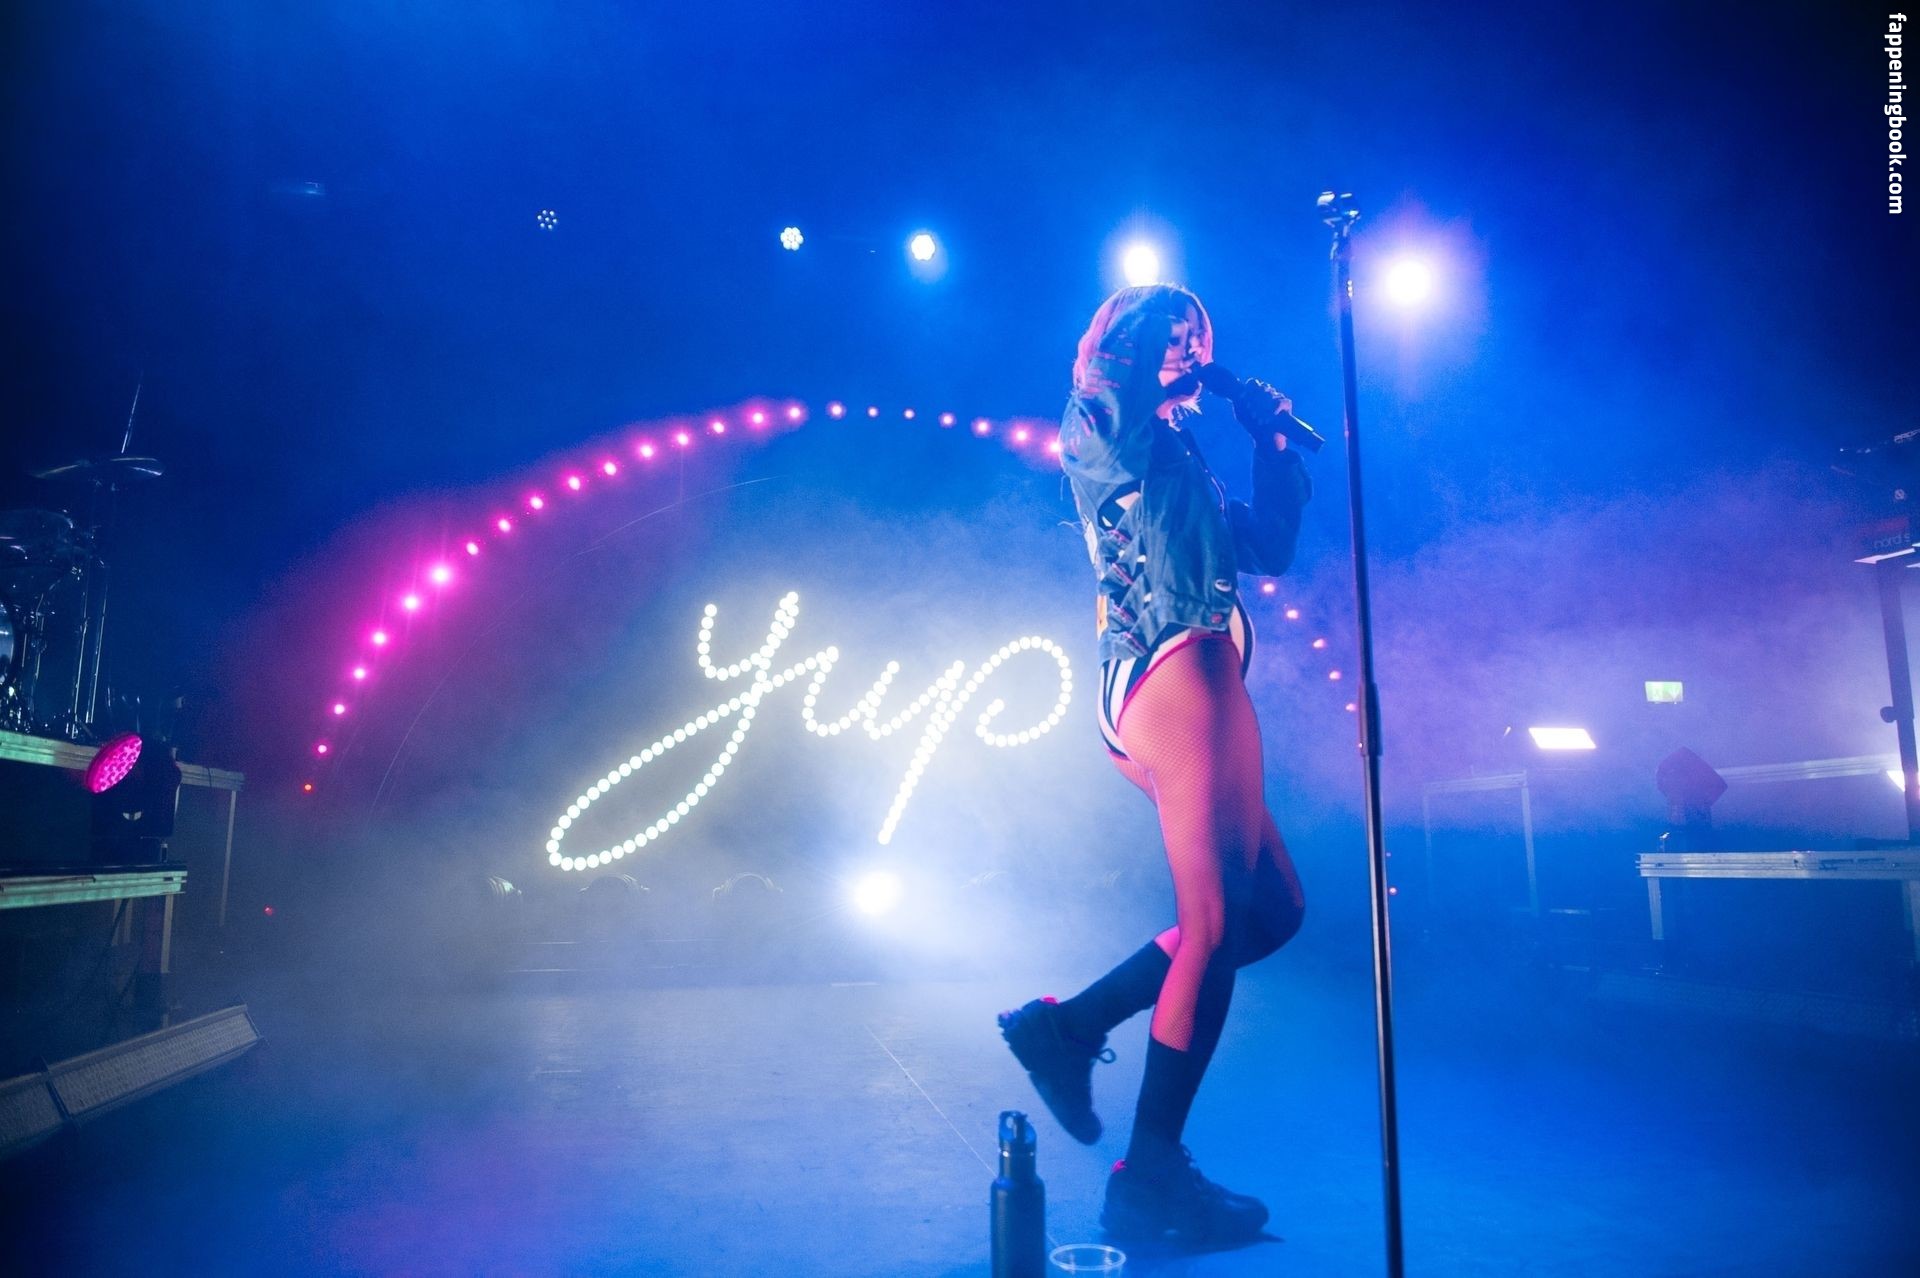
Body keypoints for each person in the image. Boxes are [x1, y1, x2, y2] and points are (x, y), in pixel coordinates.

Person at [999, 283, 1311, 1245]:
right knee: (1213, 922)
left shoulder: (1178, 458)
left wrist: (1270, 440)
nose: (1186, 349)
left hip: (1188, 673)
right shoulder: (1101, 420)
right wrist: (1171, 330)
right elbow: (1124, 368)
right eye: (1172, 337)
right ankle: (1151, 1174)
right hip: (1177, 665)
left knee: (1270, 911)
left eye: (1196, 337)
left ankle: (1068, 1026)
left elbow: (1271, 547)